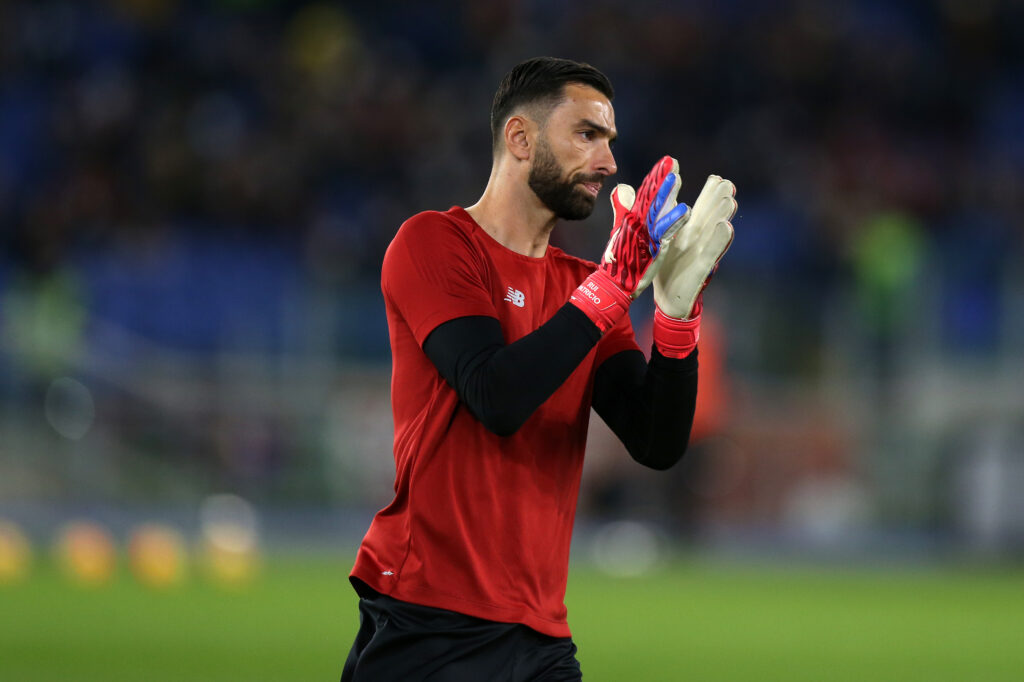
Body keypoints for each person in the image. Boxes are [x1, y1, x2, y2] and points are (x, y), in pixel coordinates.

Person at [341, 56, 737, 681]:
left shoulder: (583, 285)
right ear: (520, 139)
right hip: (428, 619)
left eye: (610, 141)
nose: (608, 162)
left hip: (540, 635)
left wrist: (675, 318)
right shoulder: (434, 243)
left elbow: (656, 442)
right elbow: (496, 396)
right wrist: (612, 287)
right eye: (587, 135)